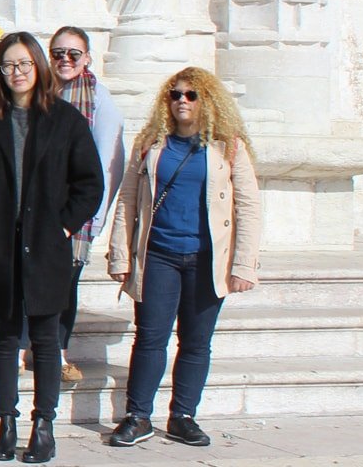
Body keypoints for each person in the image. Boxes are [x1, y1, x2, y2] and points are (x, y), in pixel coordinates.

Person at [0, 32, 104, 465]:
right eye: (7, 66)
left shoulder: (64, 119)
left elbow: (89, 182)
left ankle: (44, 425)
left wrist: (62, 226)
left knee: (44, 337)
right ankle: (7, 422)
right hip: (0, 244)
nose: (16, 73)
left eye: (23, 65)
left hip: (47, 245)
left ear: (38, 67)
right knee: (3, 336)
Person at [105, 67, 261, 449]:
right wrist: (119, 256)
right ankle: (138, 415)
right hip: (159, 254)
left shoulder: (229, 146)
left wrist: (243, 265)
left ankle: (183, 415)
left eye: (191, 95)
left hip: (207, 258)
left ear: (207, 100)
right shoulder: (151, 143)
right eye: (175, 94)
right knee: (150, 338)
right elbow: (127, 200)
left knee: (196, 342)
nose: (181, 101)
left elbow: (249, 207)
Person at [50, 26, 127, 383]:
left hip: (78, 212)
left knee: (64, 284)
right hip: (42, 206)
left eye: (73, 54)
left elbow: (109, 163)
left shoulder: (99, 99)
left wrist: (93, 219)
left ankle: (58, 351)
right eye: (58, 53)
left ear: (87, 59)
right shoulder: (40, 92)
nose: (65, 60)